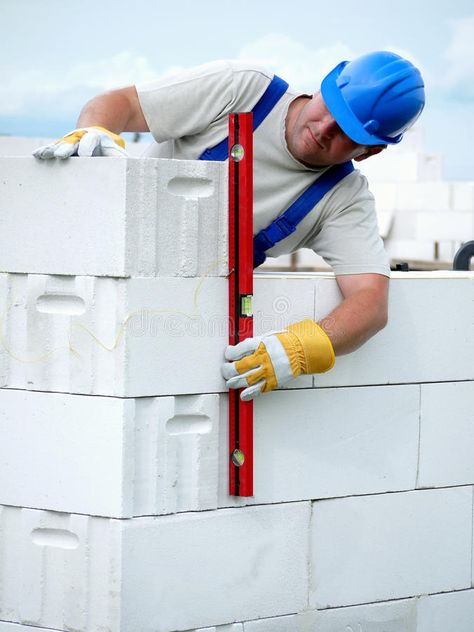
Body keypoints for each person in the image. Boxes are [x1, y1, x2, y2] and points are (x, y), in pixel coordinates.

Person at [33, 51, 425, 401]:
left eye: (346, 134)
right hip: (96, 268)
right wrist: (95, 131)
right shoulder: (245, 90)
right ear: (324, 85)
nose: (324, 130)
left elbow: (371, 305)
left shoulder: (342, 198)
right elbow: (120, 104)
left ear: (370, 151)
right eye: (331, 110)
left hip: (170, 324)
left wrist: (303, 347)